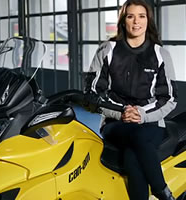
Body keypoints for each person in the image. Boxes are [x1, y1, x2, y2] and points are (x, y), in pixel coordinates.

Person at [84, 0, 178, 200]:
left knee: (132, 154)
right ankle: (163, 191)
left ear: (148, 20)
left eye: (141, 16)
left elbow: (168, 97)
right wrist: (121, 112)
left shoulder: (160, 54)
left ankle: (160, 192)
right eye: (130, 16)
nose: (136, 21)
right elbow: (93, 92)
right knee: (137, 138)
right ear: (123, 21)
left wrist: (142, 115)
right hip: (115, 123)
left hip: (151, 123)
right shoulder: (107, 49)